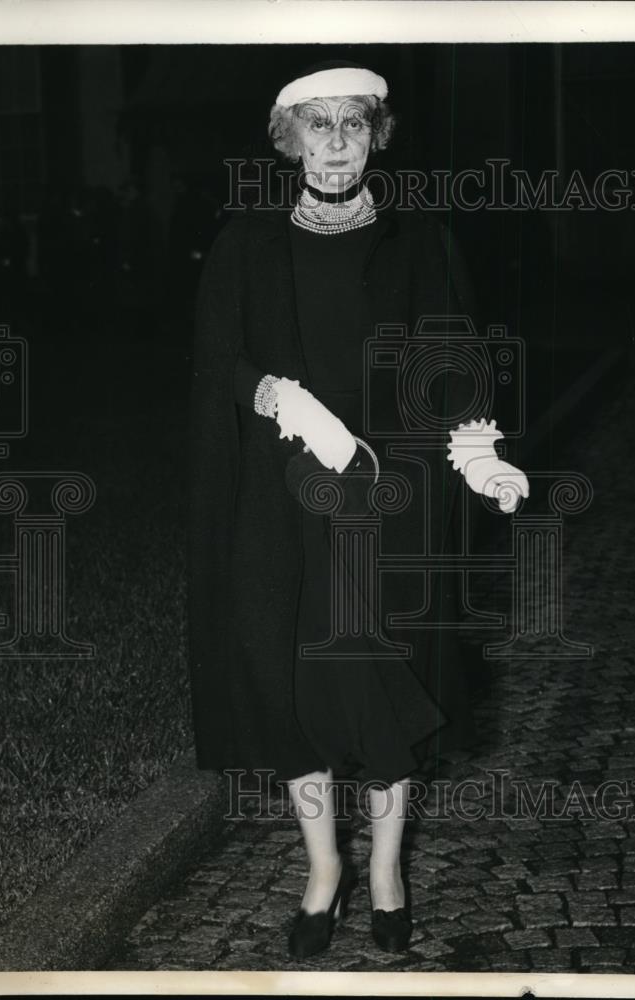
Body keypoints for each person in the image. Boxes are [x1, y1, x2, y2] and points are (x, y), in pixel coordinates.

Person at [187, 59, 528, 959]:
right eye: (317, 122)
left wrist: (479, 455)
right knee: (289, 681)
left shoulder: (418, 238)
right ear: (287, 137)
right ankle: (322, 868)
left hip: (391, 497)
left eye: (353, 122)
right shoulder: (246, 243)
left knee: (384, 678)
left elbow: (450, 361)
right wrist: (281, 399)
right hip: (282, 504)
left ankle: (385, 870)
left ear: (376, 134)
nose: (336, 139)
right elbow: (215, 363)